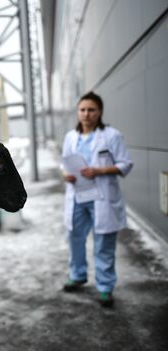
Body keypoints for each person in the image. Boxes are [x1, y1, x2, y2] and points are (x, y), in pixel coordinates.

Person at [61, 91, 133, 308]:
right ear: (78, 112)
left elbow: (125, 164)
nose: (86, 114)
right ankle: (78, 275)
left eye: (91, 110)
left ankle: (105, 287)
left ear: (99, 112)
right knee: (75, 238)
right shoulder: (70, 137)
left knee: (103, 244)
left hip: (102, 197)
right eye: (83, 109)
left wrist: (100, 171)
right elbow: (63, 162)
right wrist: (66, 174)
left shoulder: (112, 135)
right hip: (77, 196)